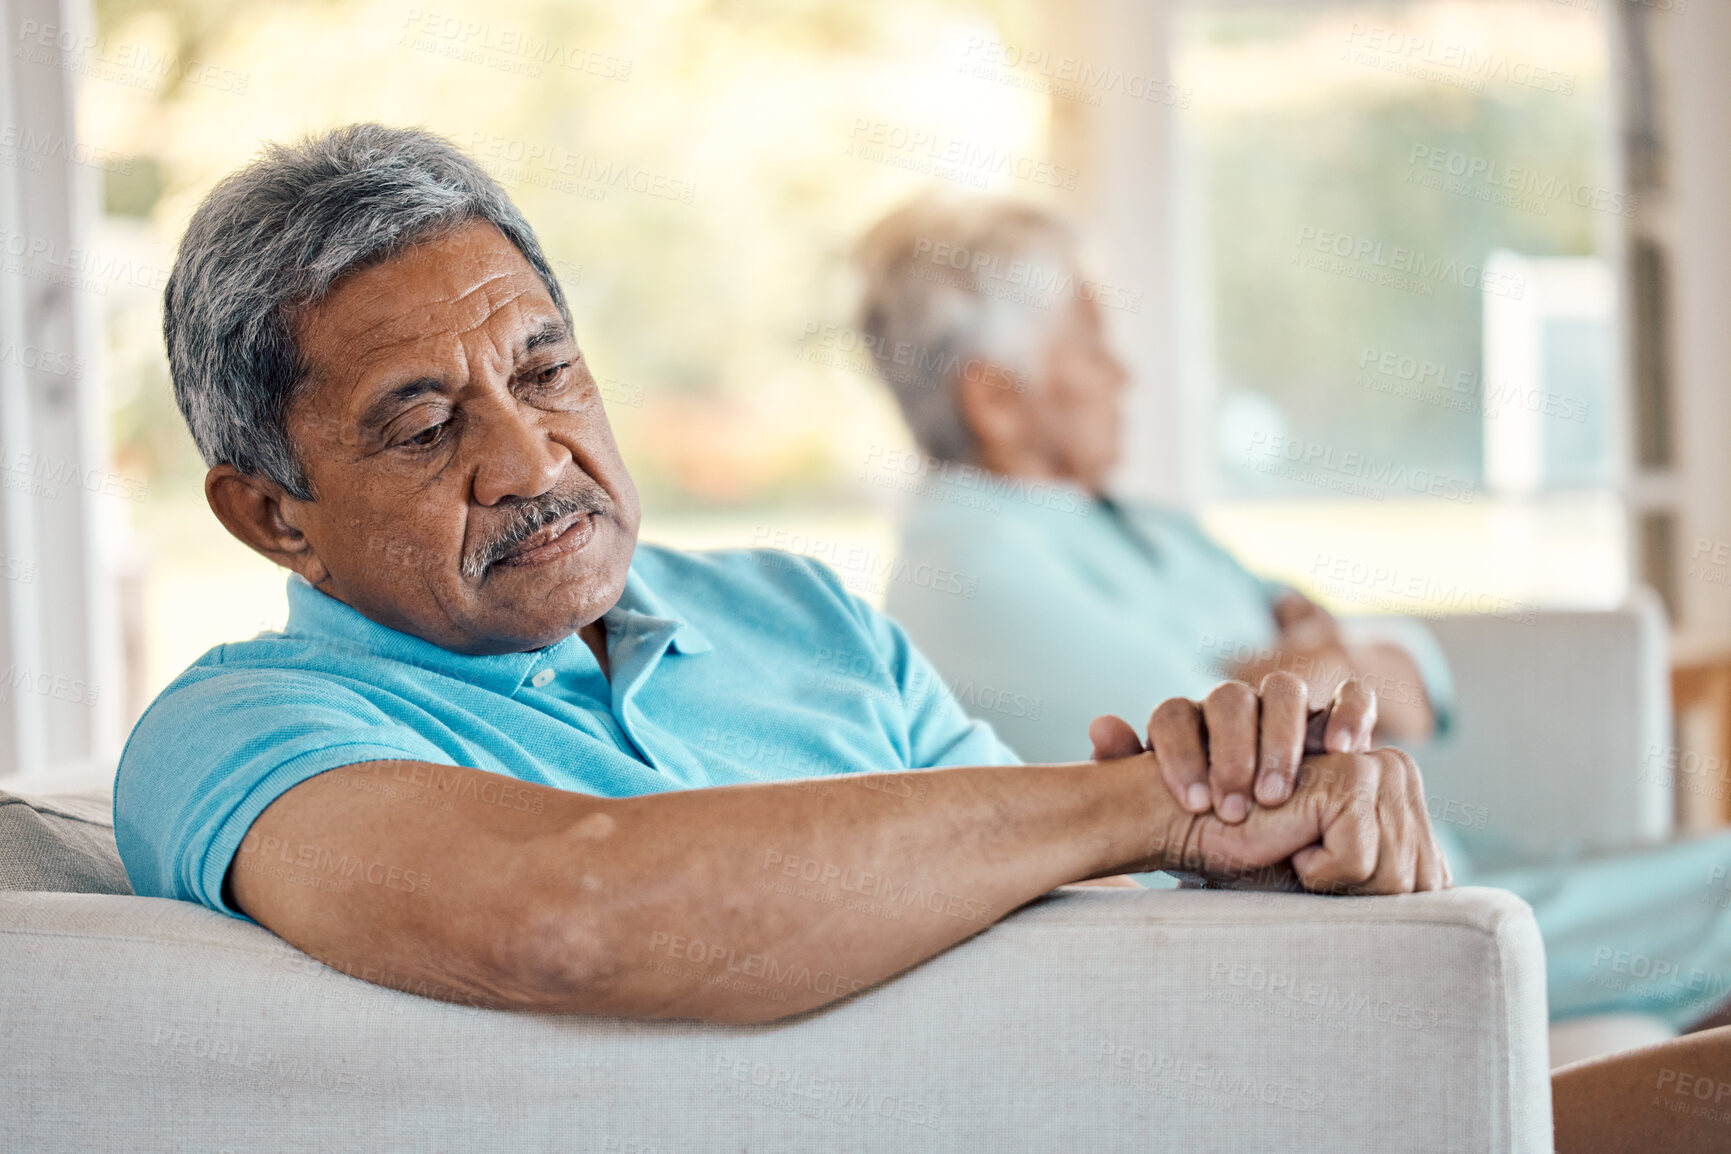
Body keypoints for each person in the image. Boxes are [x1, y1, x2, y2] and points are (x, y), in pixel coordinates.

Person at [116, 124, 1721, 1150]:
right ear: (270, 515)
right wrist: (1141, 798)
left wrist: (1268, 851)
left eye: (546, 370)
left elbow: (1067, 931)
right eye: (420, 424)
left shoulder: (799, 610)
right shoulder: (243, 731)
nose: (532, 457)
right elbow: (573, 909)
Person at [858, 192, 1731, 1034]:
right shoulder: (970, 571)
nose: (1122, 374)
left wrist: (1303, 666)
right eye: (1088, 347)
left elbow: (1408, 690)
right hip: (1365, 926)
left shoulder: (1132, 523)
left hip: (1439, 872)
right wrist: (1304, 666)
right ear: (994, 399)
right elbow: (1255, 774)